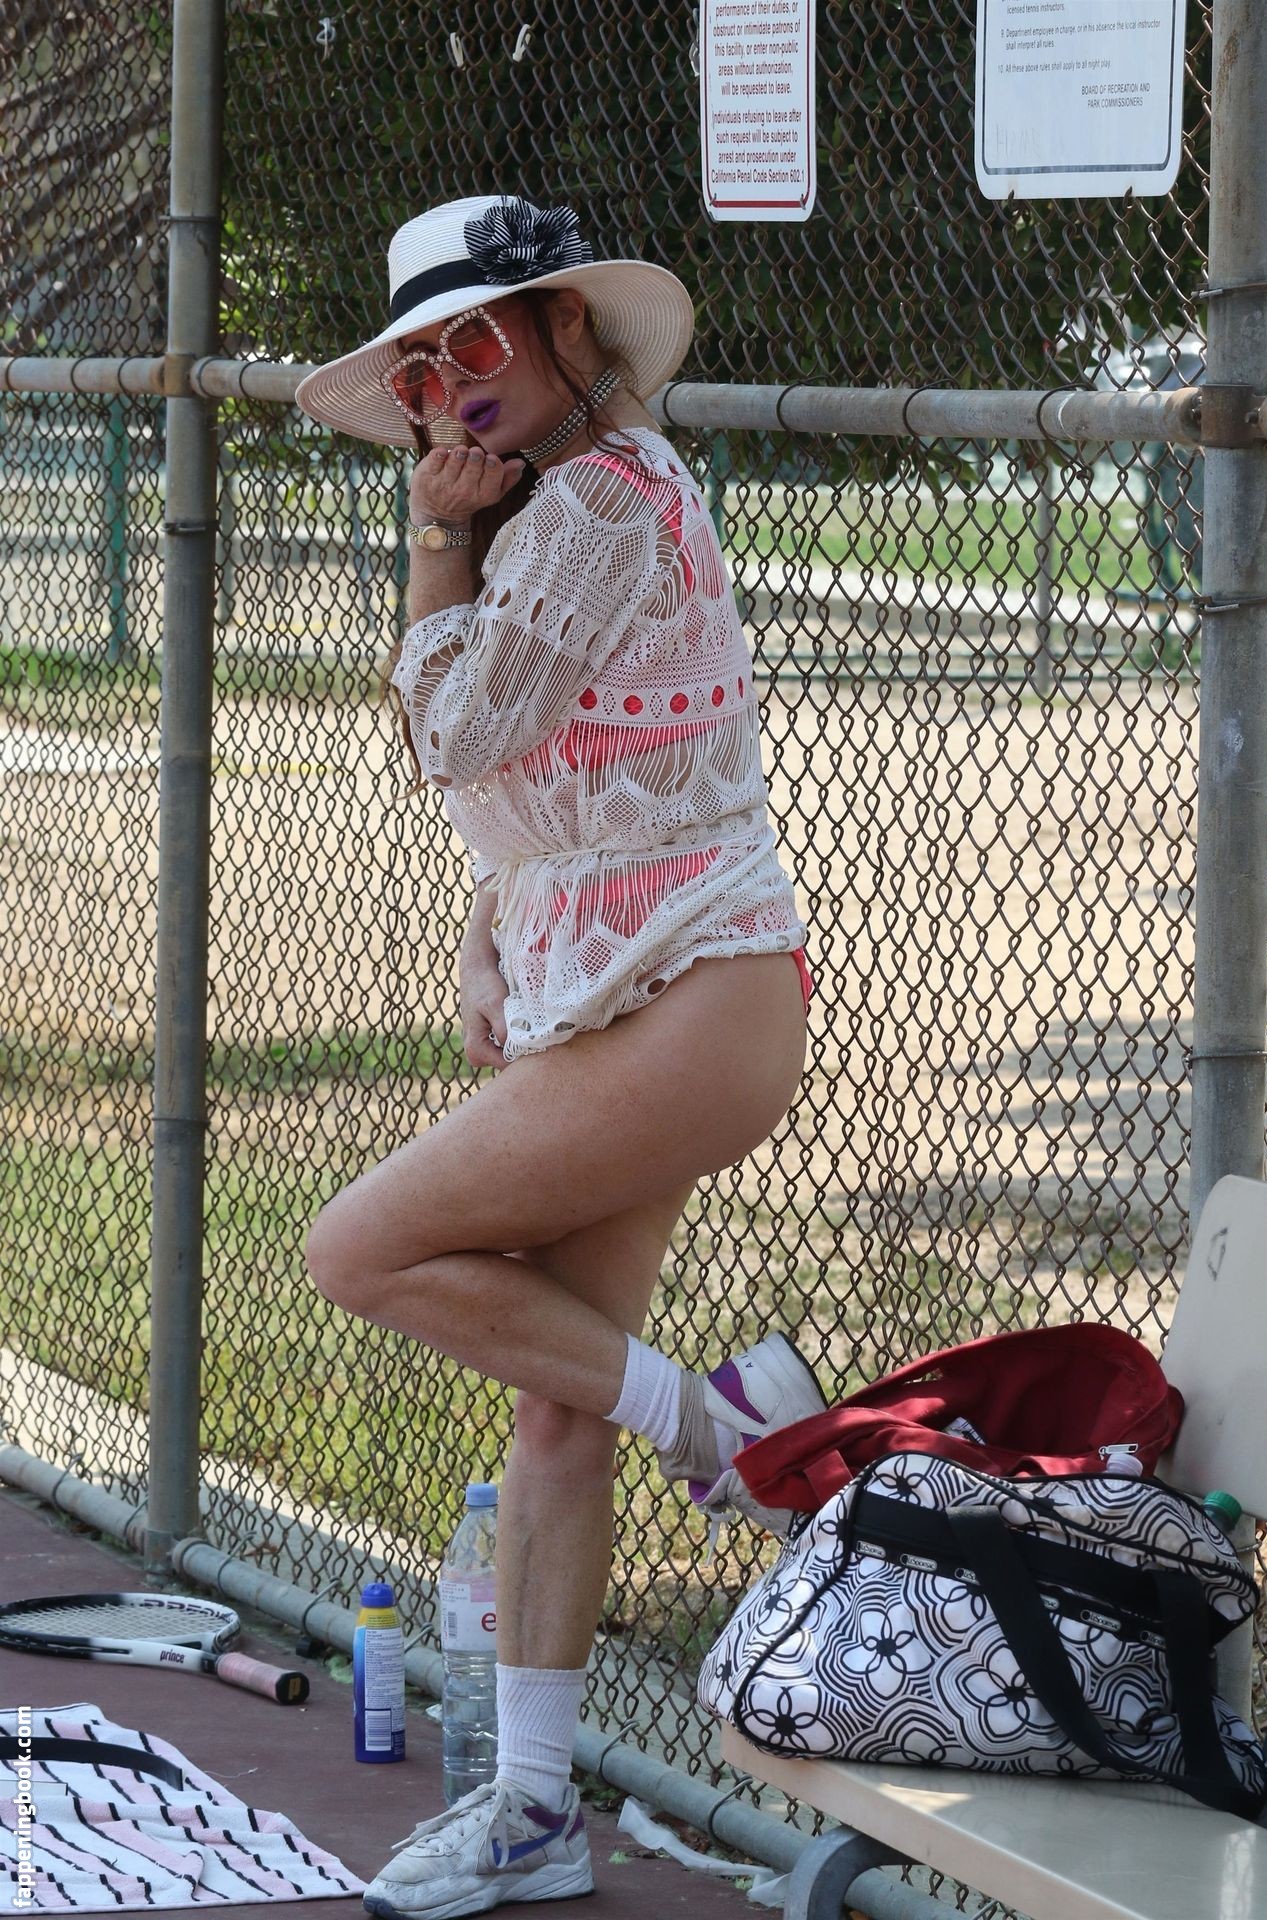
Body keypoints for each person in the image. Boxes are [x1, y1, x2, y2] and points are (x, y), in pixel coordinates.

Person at [294, 194, 825, 1920]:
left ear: (569, 333)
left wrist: (432, 544)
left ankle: (723, 1428)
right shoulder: (572, 505)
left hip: (694, 998)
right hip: (633, 987)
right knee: (554, 1402)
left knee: (360, 1248)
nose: (448, 384)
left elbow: (462, 729)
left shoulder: (599, 496)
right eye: (418, 365)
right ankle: (532, 1807)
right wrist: (494, 926)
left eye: (478, 339)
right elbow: (553, 786)